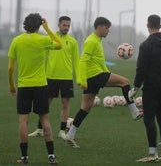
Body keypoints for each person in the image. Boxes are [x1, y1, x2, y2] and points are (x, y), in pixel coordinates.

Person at [64, 16, 143, 148]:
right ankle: (135, 112)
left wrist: (103, 72)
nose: (108, 31)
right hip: (95, 76)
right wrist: (81, 80)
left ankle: (70, 134)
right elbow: (83, 61)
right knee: (125, 82)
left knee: (85, 107)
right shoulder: (91, 41)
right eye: (107, 28)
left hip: (94, 76)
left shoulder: (97, 40)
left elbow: (99, 61)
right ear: (100, 27)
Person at [8, 13, 61, 164]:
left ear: (25, 24)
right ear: (39, 25)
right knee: (45, 119)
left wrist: (12, 85)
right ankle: (51, 157)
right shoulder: (44, 40)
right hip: (41, 86)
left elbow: (11, 68)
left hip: (24, 86)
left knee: (23, 121)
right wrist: (48, 28)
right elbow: (59, 44)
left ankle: (24, 157)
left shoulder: (17, 41)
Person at [129, 14, 161, 163]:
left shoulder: (146, 45)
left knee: (149, 118)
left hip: (152, 86)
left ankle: (152, 153)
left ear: (148, 24)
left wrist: (135, 88)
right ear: (160, 25)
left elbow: (141, 69)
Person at [28, 16, 80, 141]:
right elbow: (42, 57)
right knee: (45, 104)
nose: (66, 28)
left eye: (68, 25)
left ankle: (62, 131)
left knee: (65, 104)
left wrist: (79, 79)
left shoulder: (72, 42)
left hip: (66, 77)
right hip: (51, 76)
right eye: (64, 25)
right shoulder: (50, 39)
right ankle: (39, 129)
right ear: (58, 25)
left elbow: (76, 61)